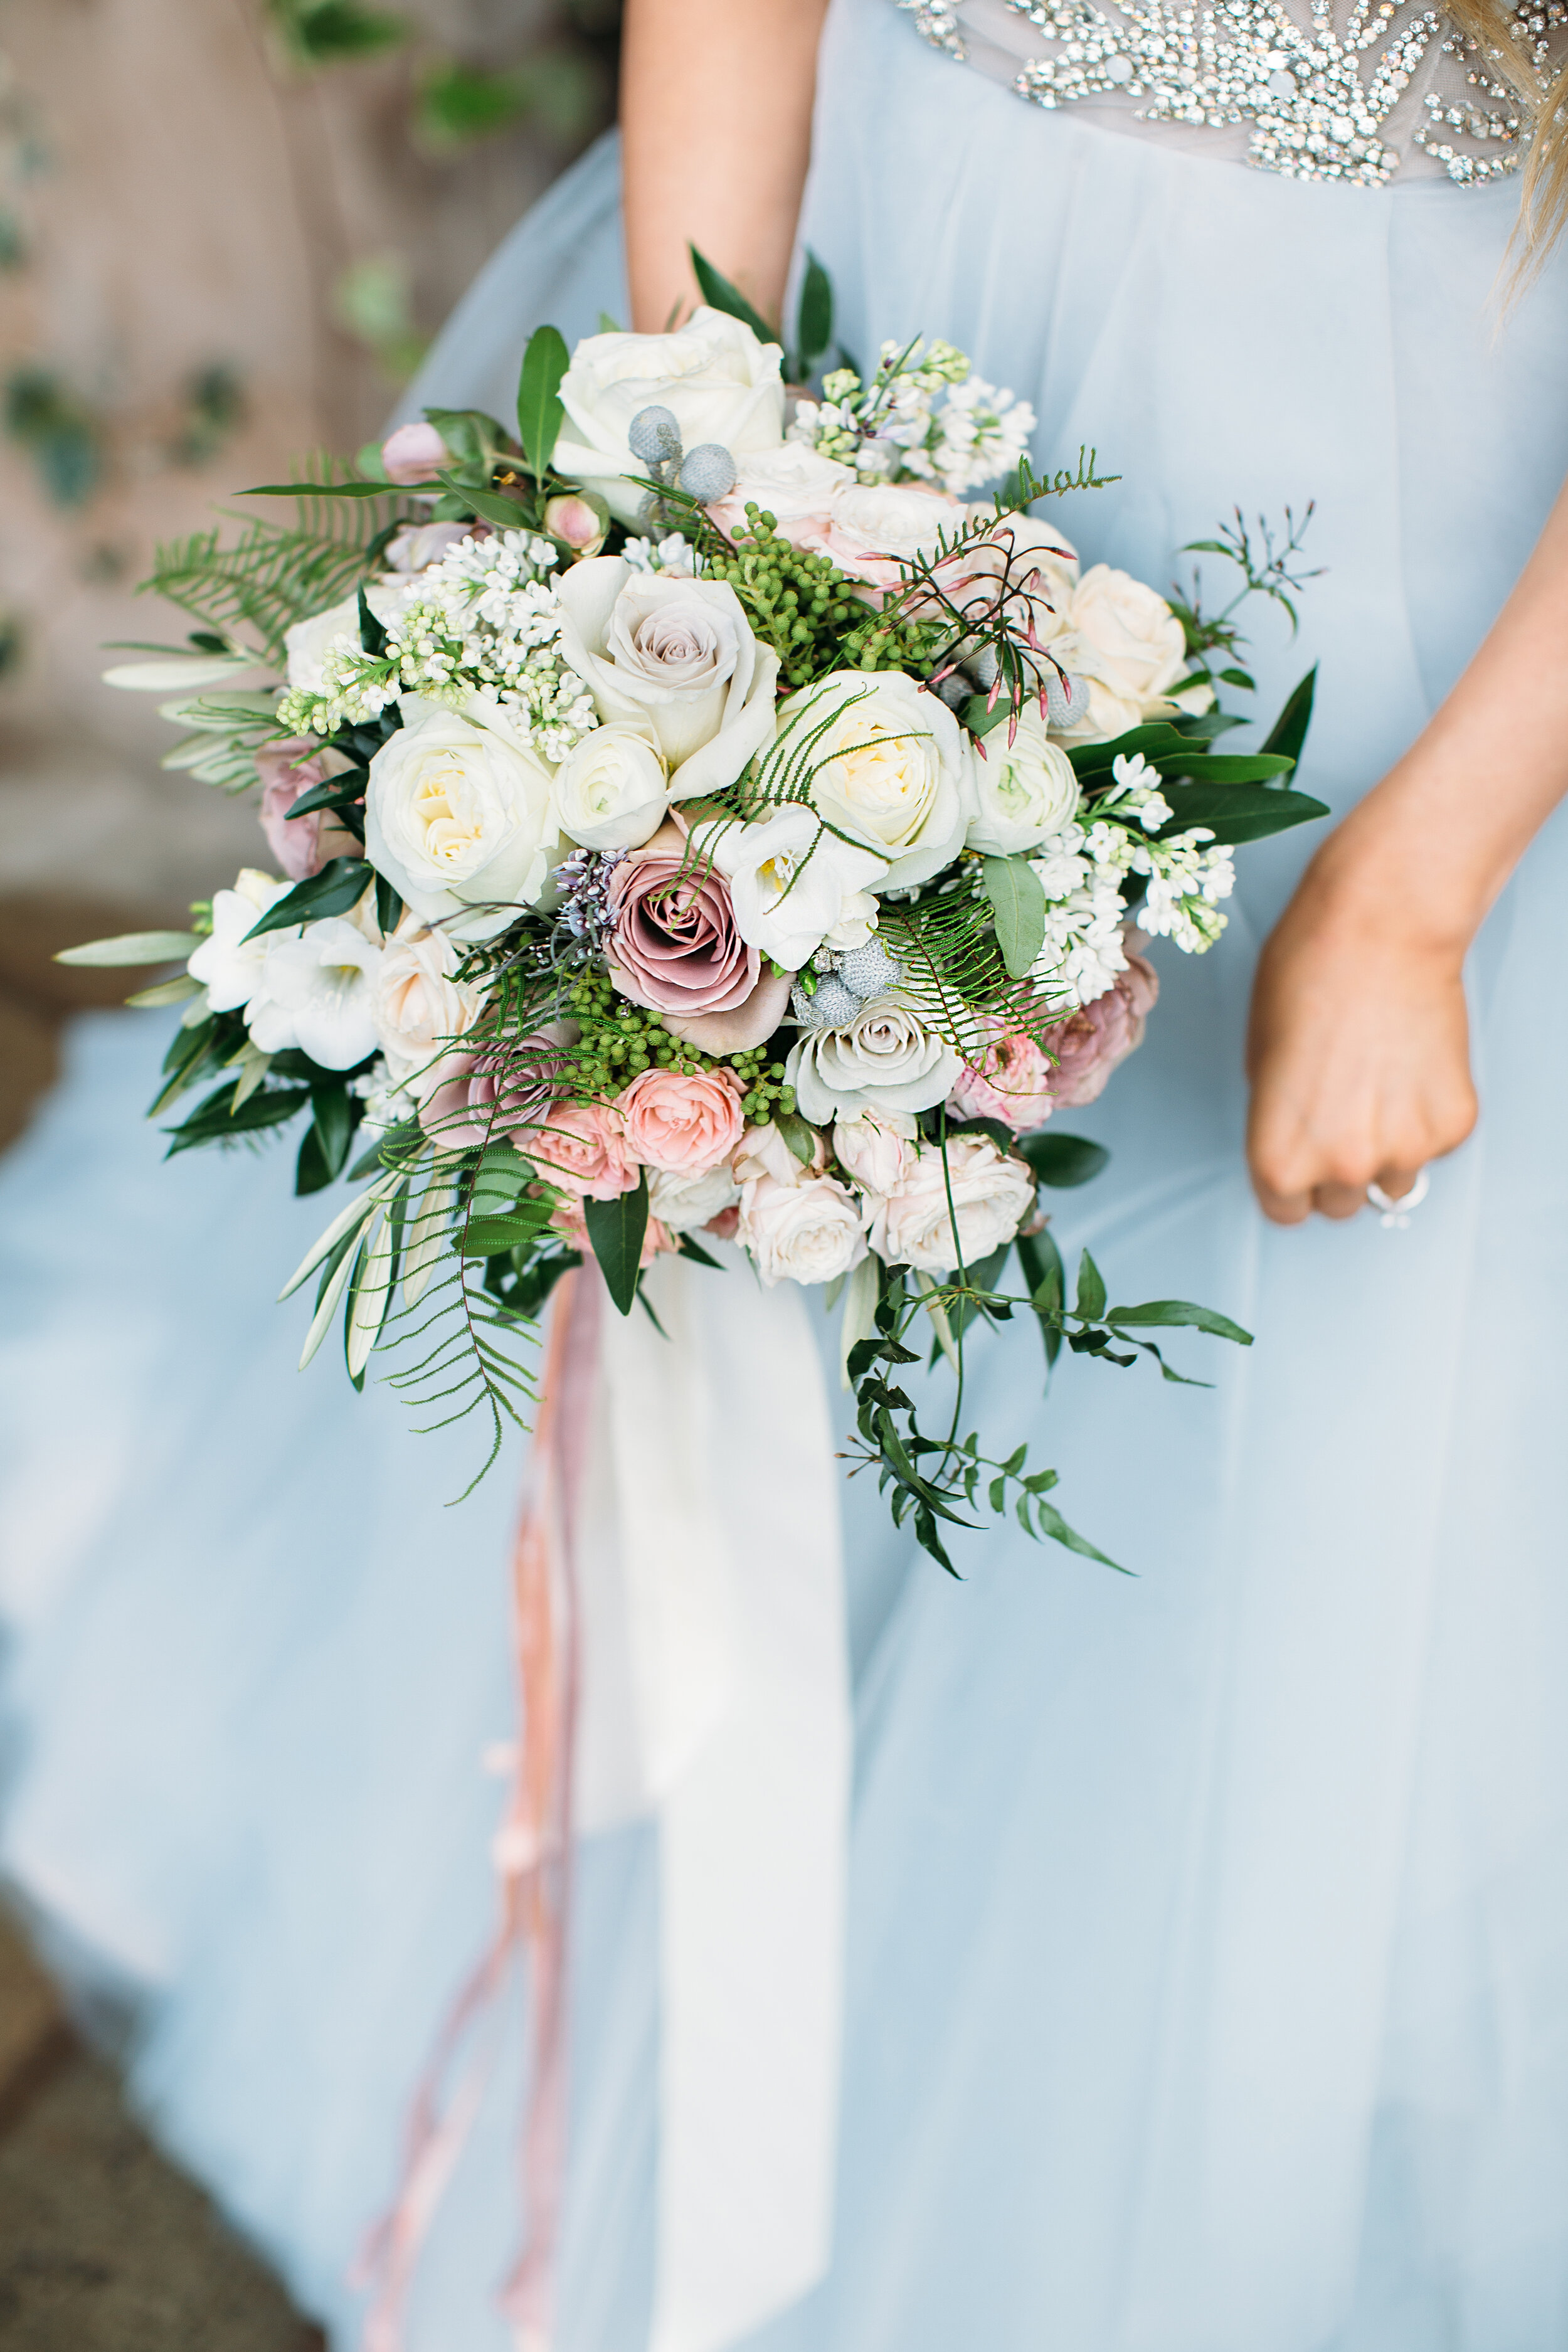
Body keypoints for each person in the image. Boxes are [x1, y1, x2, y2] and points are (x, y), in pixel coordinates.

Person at [4, 0, 1568, 2345]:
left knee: (1262, 1453)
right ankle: (691, 2035)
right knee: (764, 1287)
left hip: (1413, 534)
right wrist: (679, 545)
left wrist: (1423, 877)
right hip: (871, 323)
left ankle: (1080, 2145)